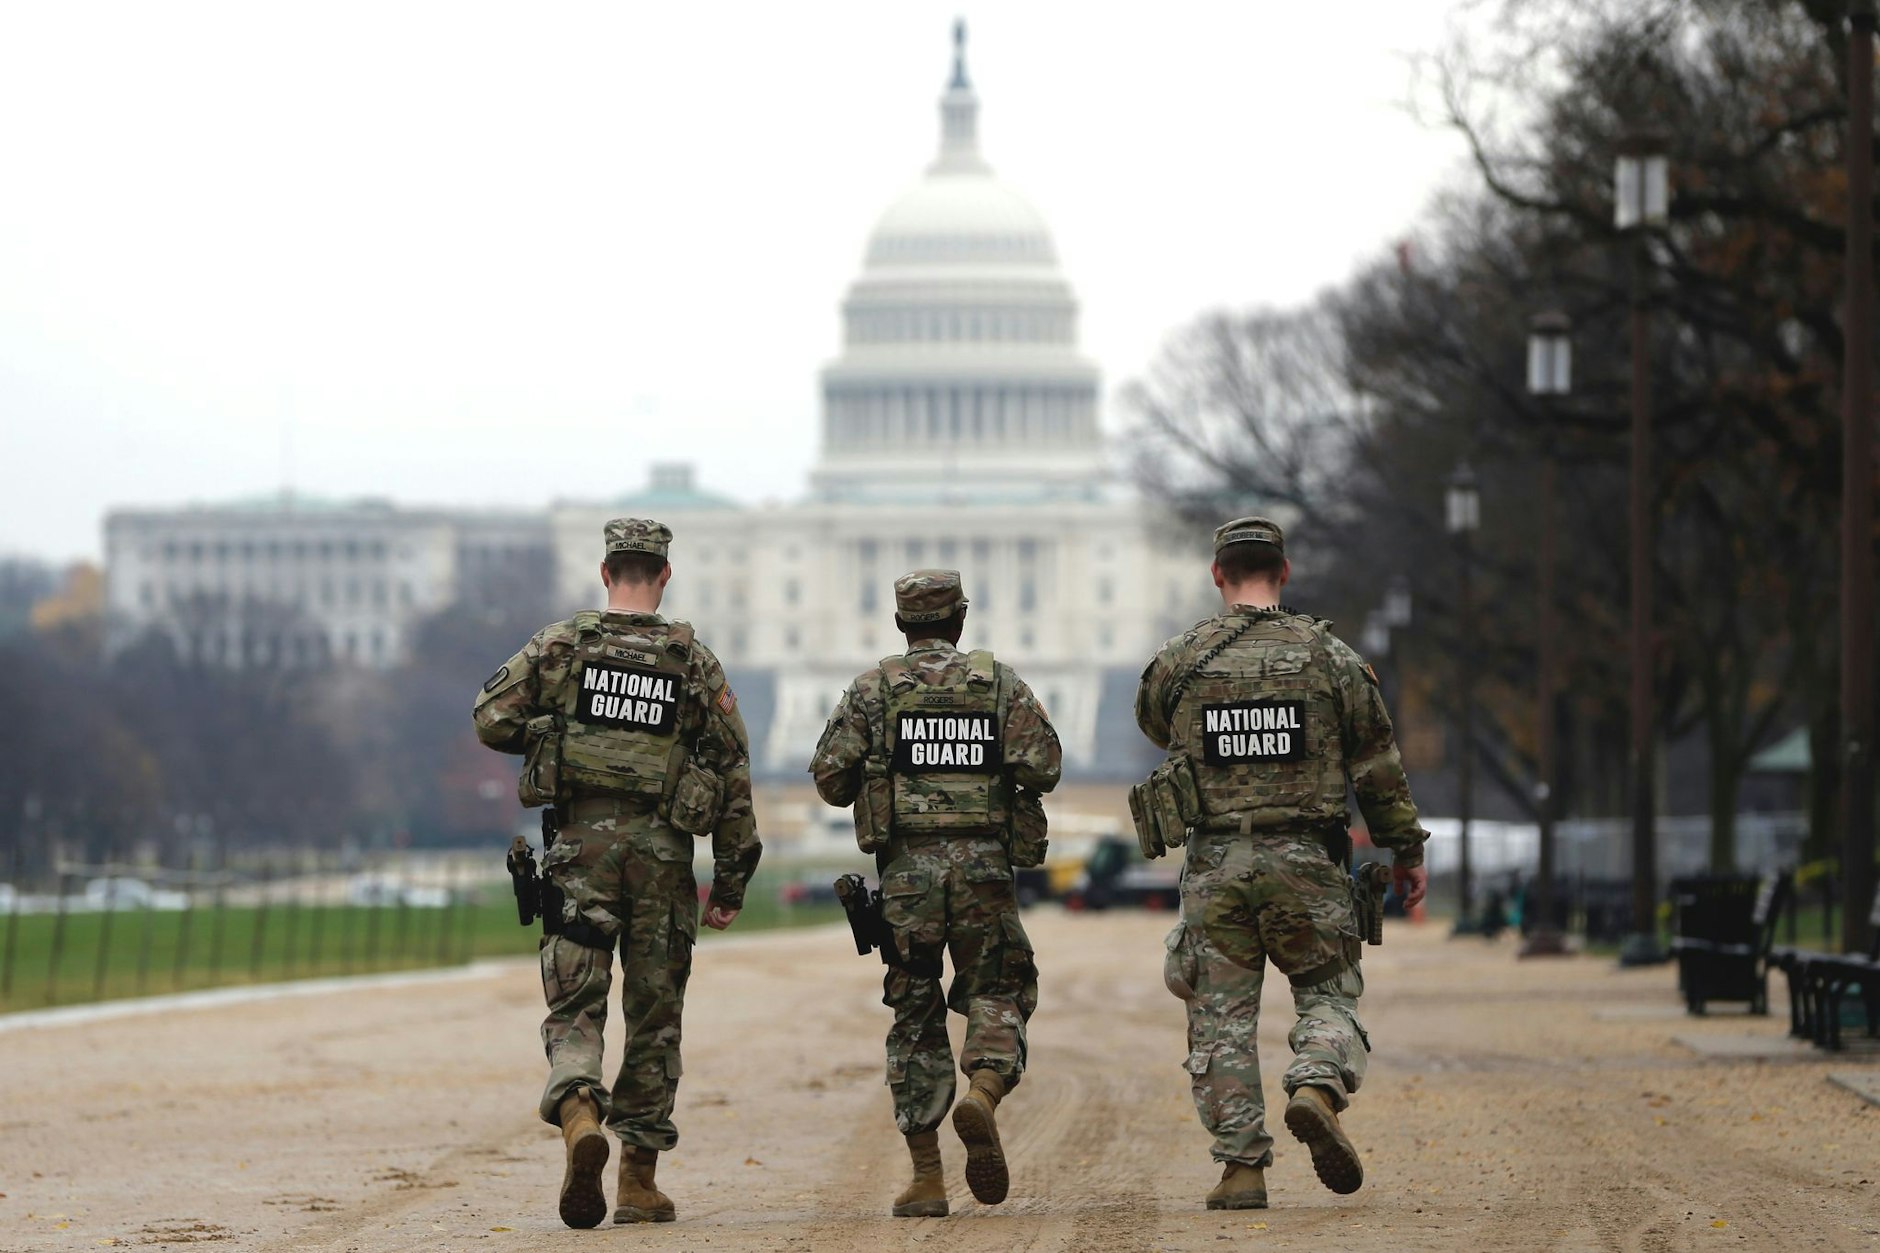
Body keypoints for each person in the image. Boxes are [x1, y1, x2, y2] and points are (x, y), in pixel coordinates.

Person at [472, 517, 761, 1229]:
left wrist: (558, 734)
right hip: (662, 859)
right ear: (663, 576)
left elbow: (490, 718)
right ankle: (637, 1180)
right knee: (655, 1016)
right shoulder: (693, 661)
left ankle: (577, 1110)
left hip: (580, 852)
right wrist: (729, 882)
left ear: (606, 573)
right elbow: (732, 772)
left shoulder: (562, 643)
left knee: (577, 999)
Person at [1133, 516, 1428, 1210]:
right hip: (1307, 860)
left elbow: (1154, 724)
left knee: (1221, 1019)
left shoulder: (1180, 660)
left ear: (1218, 575)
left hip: (1217, 863)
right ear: (1285, 572)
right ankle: (1316, 1084)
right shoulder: (1331, 657)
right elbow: (1377, 765)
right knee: (1329, 993)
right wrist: (1405, 849)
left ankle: (1241, 1169)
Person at [809, 569, 1062, 1218]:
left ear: (901, 622)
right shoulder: (998, 683)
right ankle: (982, 1087)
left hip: (906, 881)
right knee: (999, 989)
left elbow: (831, 780)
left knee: (914, 1017)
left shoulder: (873, 690)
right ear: (959, 620)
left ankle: (926, 1178)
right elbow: (1046, 765)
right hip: (982, 871)